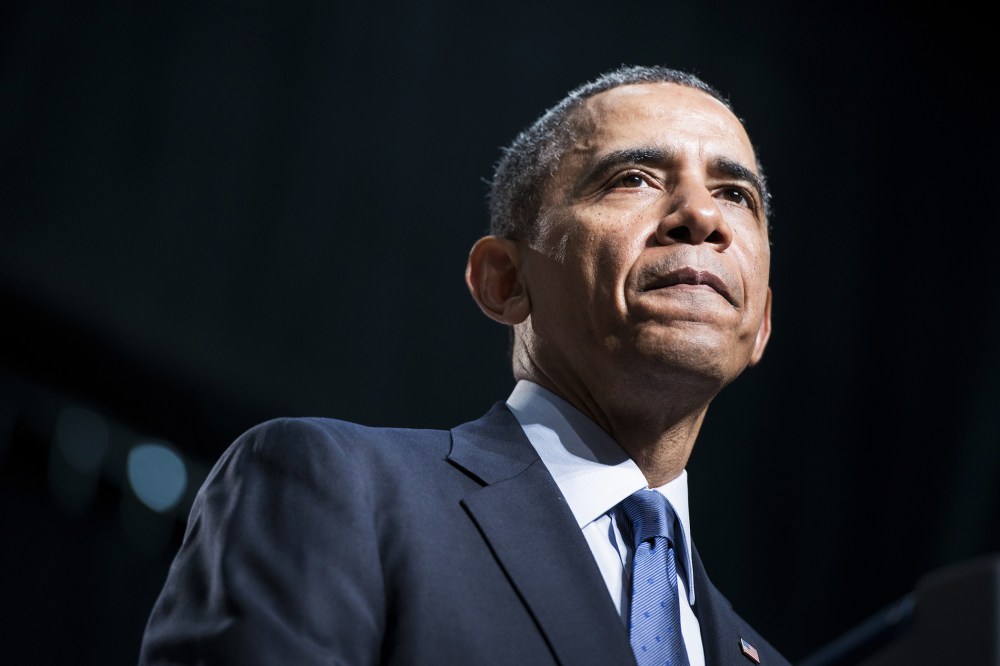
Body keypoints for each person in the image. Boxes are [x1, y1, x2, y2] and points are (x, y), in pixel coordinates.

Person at [139, 64, 791, 666]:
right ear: (505, 281)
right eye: (634, 179)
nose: (703, 217)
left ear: (760, 321)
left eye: (735, 194)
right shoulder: (340, 491)